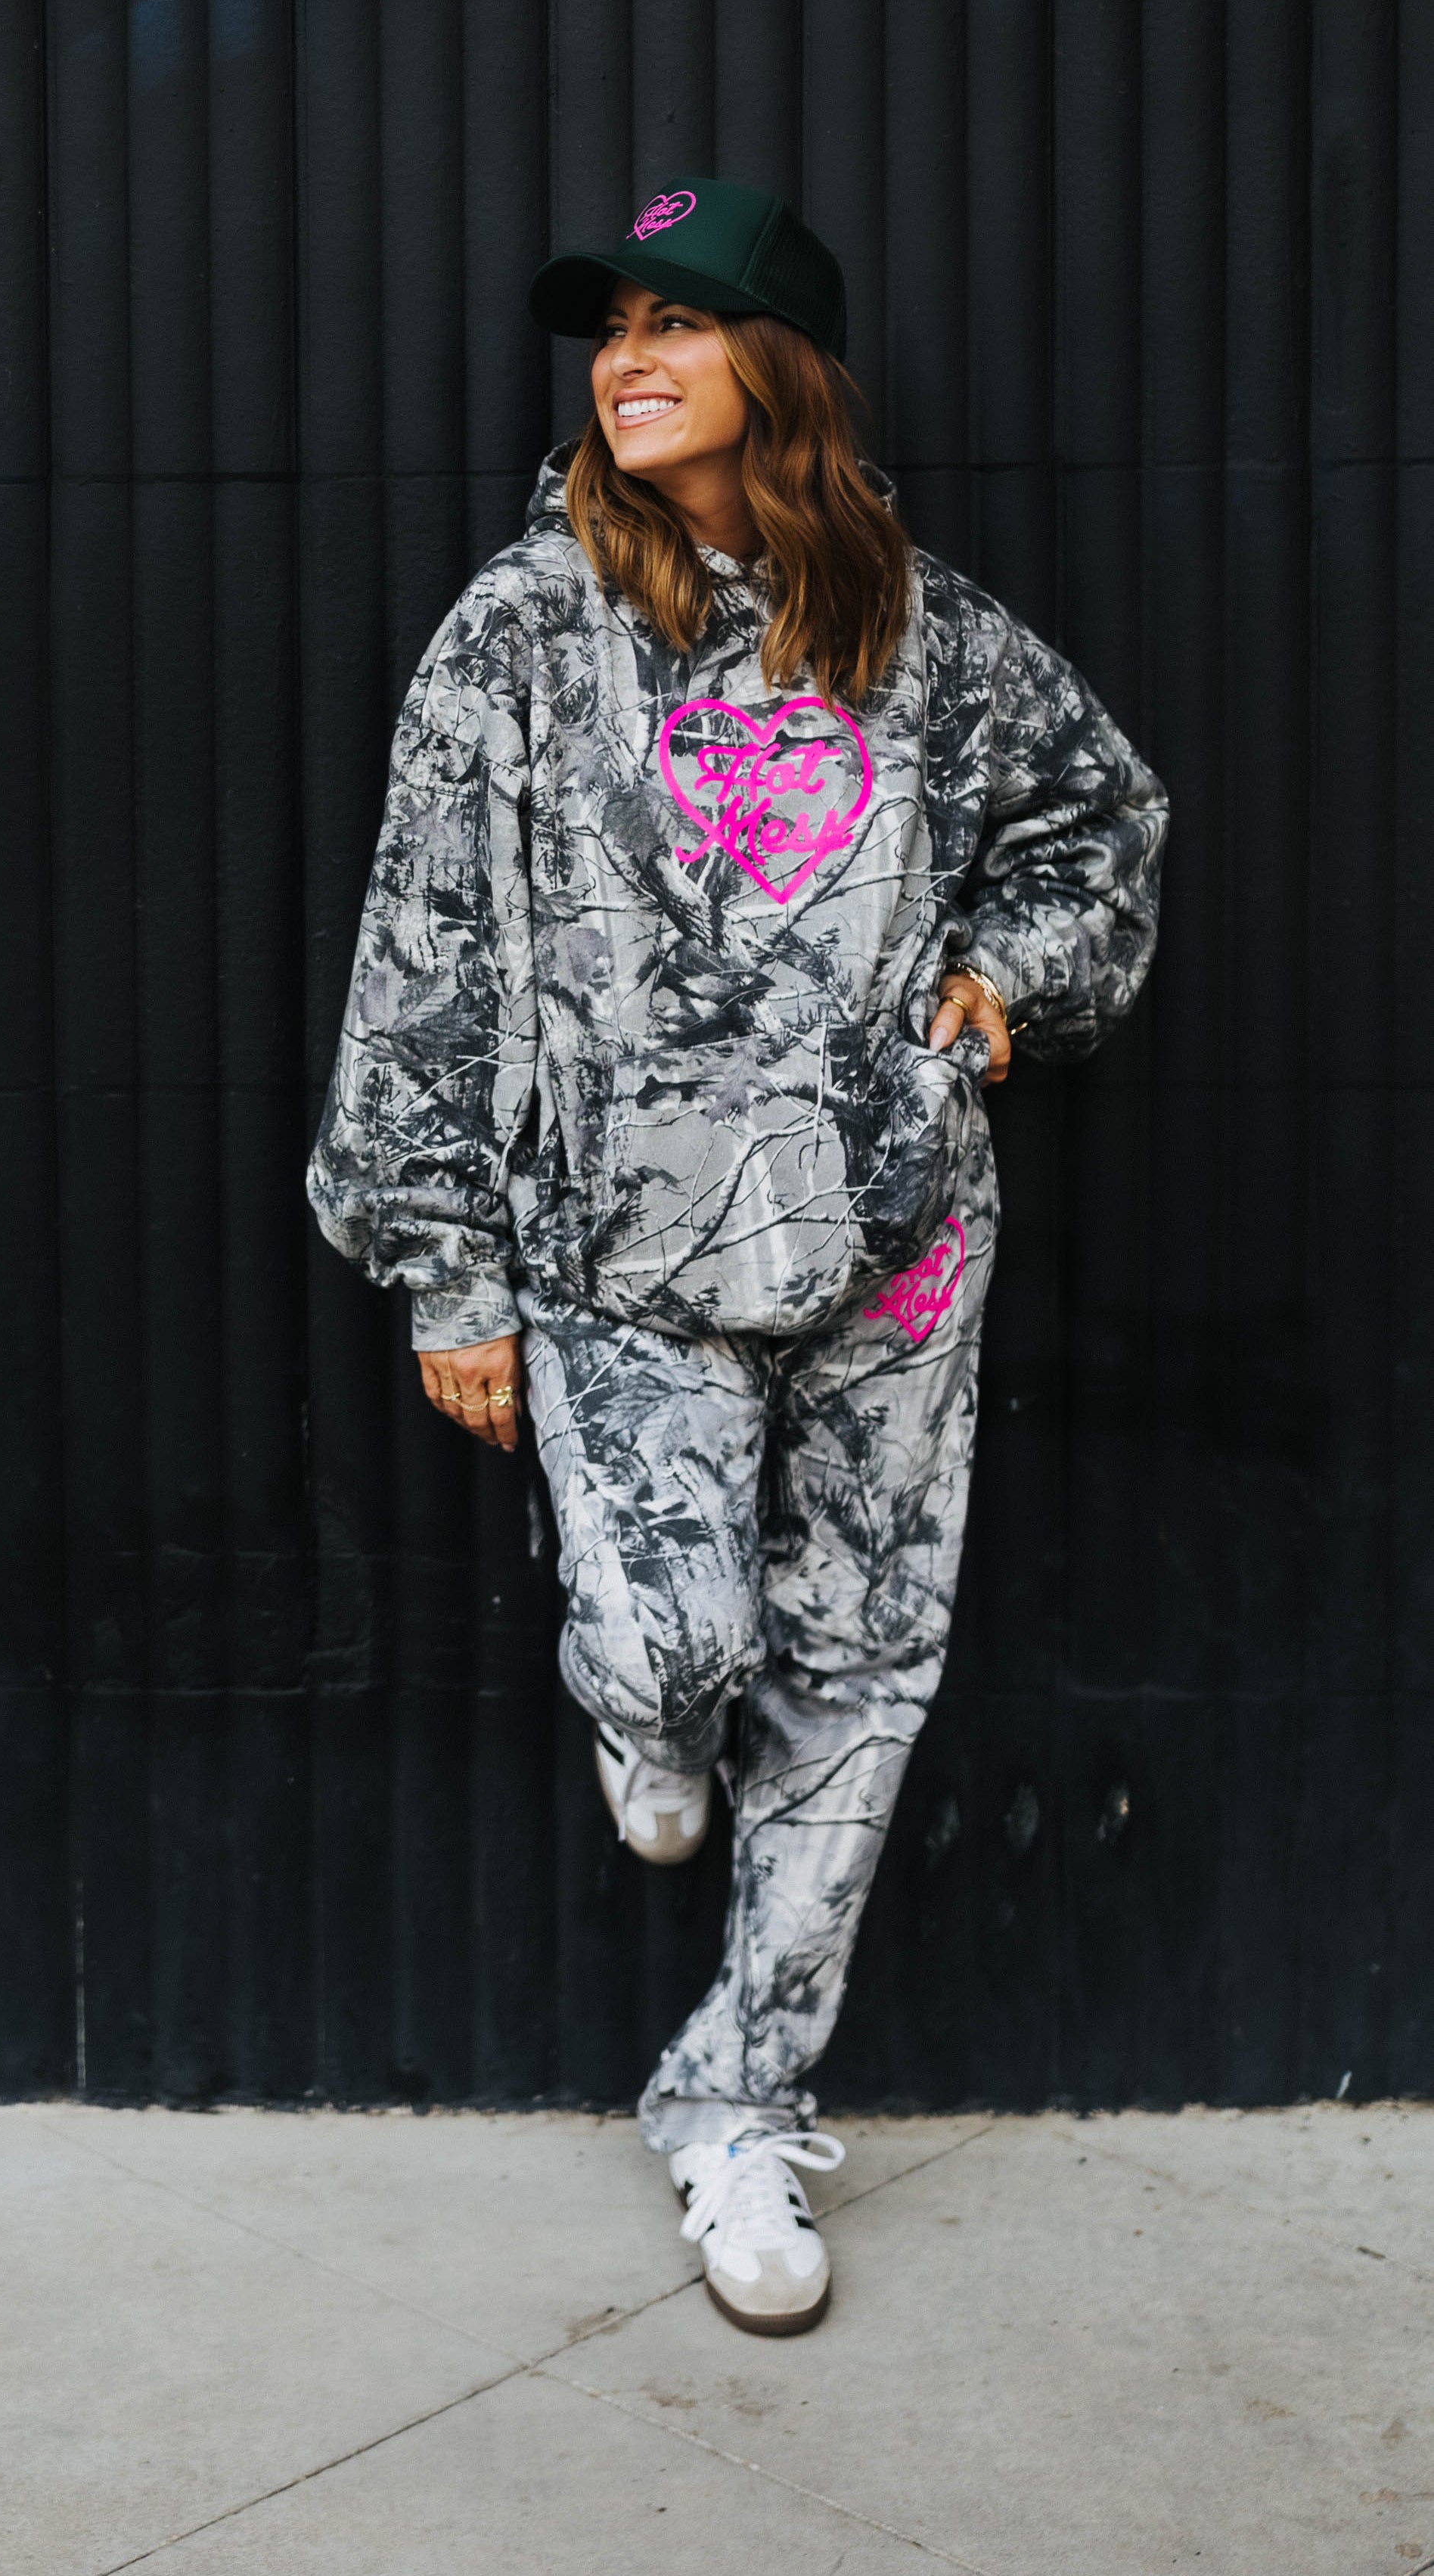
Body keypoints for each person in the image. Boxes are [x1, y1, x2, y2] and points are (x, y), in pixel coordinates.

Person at [306, 182, 1166, 2334]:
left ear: (781, 368)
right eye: (612, 328)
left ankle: (743, 2102)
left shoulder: (929, 637)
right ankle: (650, 1713)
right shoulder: (516, 636)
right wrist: (448, 1271)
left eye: (683, 320)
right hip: (622, 1258)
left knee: (863, 1673)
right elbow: (420, 966)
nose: (630, 355)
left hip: (893, 1245)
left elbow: (1102, 827)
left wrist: (1002, 982)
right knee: (685, 1647)